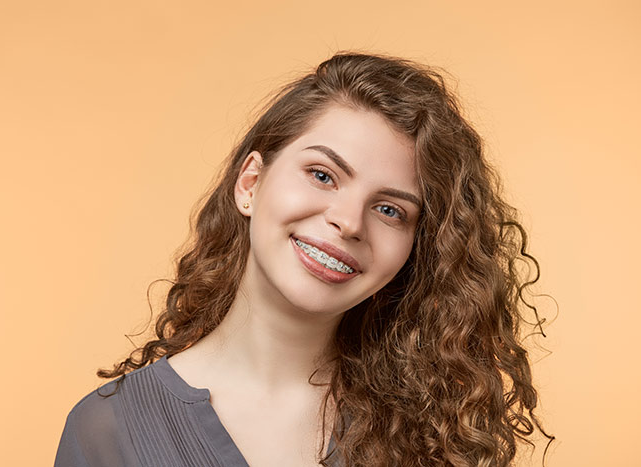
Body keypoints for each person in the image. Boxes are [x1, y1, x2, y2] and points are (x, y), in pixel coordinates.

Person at [54, 52, 552, 467]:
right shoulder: (109, 431)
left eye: (389, 209)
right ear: (250, 183)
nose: (349, 221)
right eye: (322, 175)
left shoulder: (431, 435)